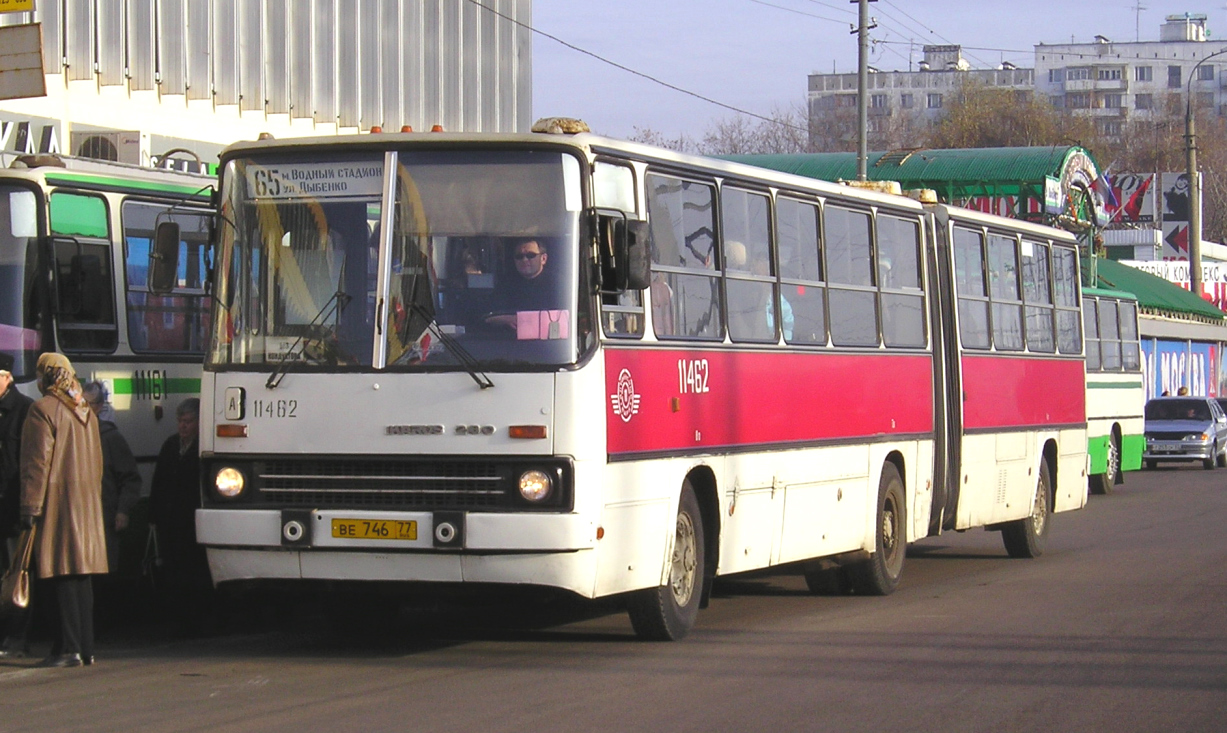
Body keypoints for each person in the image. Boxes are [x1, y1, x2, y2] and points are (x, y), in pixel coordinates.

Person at [19, 353, 108, 668]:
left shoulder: (42, 410)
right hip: (86, 503)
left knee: (60, 574)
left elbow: (36, 463)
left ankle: (66, 648)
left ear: (46, 377)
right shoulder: (86, 412)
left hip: (58, 501)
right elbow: (97, 462)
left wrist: (30, 505)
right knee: (81, 577)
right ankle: (86, 647)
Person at [149, 398, 210, 634]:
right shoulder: (171, 445)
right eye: (180, 421)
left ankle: (195, 619)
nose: (183, 426)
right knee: (171, 569)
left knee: (193, 570)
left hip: (191, 521)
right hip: (169, 520)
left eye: (188, 421)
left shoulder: (203, 449)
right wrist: (153, 515)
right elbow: (159, 481)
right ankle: (176, 617)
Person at [82, 381, 141, 572]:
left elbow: (130, 478)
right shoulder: (70, 436)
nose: (82, 409)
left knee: (105, 574)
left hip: (104, 521)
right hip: (80, 521)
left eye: (88, 404)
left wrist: (123, 511)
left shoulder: (110, 438)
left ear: (99, 407)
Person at [0, 362, 34, 658]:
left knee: (15, 575)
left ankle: (17, 635)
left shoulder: (25, 409)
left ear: (8, 377)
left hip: (12, 511)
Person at [486, 239, 558, 330]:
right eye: (519, 256)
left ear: (543, 259)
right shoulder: (507, 284)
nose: (524, 260)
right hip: (509, 340)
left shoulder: (558, 285)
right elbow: (487, 316)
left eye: (530, 255)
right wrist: (505, 319)